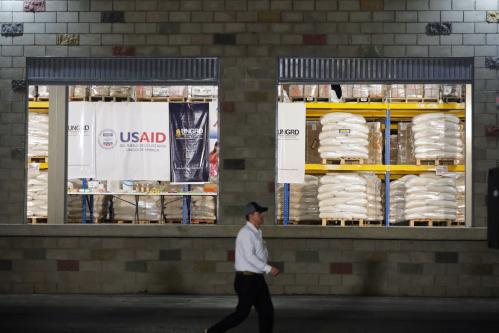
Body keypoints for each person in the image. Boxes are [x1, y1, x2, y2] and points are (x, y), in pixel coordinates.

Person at [205, 202, 280, 333]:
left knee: (267, 311)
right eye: (259, 213)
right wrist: (268, 268)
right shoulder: (246, 233)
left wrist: (264, 268)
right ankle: (212, 331)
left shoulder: (257, 232)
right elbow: (249, 257)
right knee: (241, 314)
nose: (262, 216)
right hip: (246, 280)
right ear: (251, 215)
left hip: (257, 279)